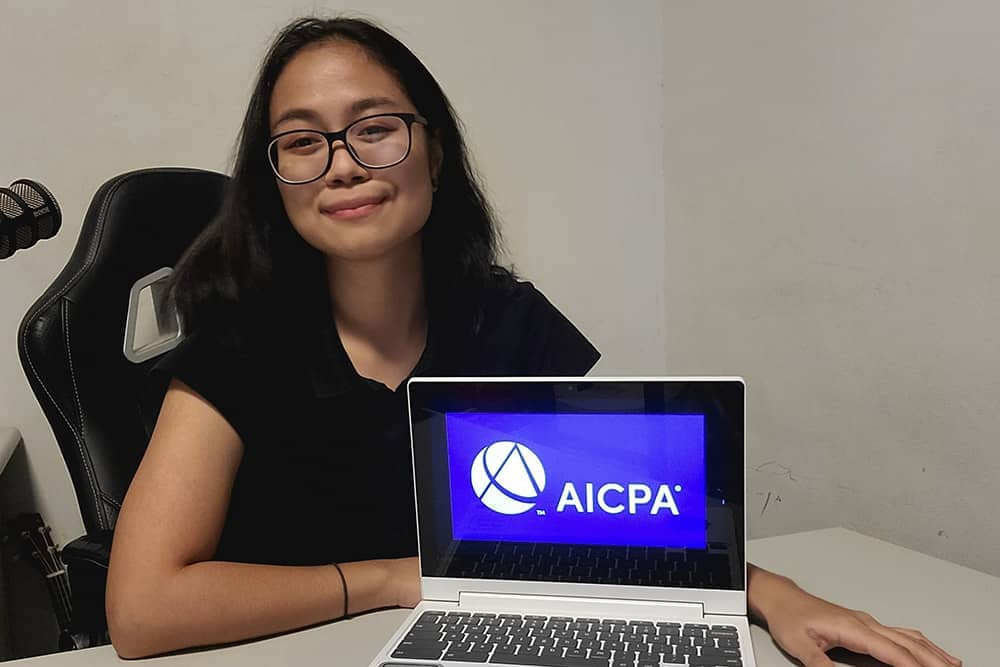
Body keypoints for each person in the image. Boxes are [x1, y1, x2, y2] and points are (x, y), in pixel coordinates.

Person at [105, 16, 961, 667]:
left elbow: (619, 526)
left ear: (432, 153)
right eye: (303, 141)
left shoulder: (507, 323)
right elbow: (143, 611)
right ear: (276, 179)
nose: (341, 162)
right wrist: (394, 577)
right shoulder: (238, 342)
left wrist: (774, 595)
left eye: (373, 127)